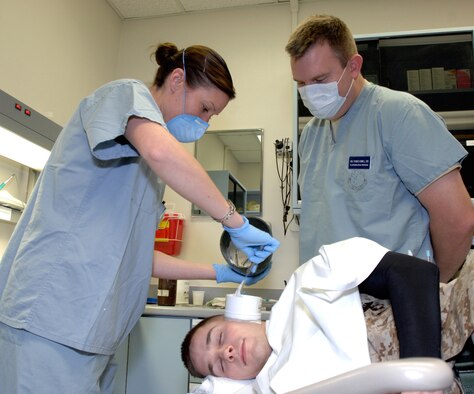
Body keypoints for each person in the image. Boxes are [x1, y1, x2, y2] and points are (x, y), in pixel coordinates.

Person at [0, 43, 279, 394]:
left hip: (95, 335)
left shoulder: (151, 172)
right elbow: (161, 150)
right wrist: (233, 222)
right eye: (204, 108)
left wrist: (221, 272)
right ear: (177, 79)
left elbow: (138, 257)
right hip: (50, 321)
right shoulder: (124, 95)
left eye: (212, 117)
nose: (204, 123)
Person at [285, 14, 474, 283]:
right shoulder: (312, 134)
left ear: (353, 66)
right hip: (326, 301)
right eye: (300, 84)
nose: (309, 93)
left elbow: (458, 220)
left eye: (319, 80)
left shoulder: (399, 115)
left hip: (389, 306)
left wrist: (428, 288)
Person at [181, 238, 474, 394]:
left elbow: (412, 272)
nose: (227, 352)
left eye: (219, 338)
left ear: (237, 313)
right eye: (218, 365)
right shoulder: (273, 388)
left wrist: (419, 378)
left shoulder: (309, 282)